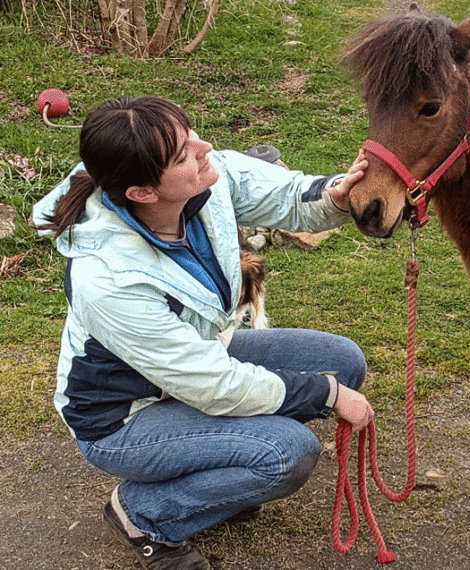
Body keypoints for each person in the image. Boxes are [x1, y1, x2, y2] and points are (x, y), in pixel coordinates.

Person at [32, 95, 373, 570]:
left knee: (342, 361)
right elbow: (213, 384)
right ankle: (144, 515)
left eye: (191, 134)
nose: (205, 147)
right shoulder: (107, 280)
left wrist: (336, 194)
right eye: (184, 153)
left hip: (193, 368)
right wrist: (325, 395)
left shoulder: (200, 182)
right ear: (144, 193)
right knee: (286, 453)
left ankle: (216, 474)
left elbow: (283, 196)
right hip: (123, 418)